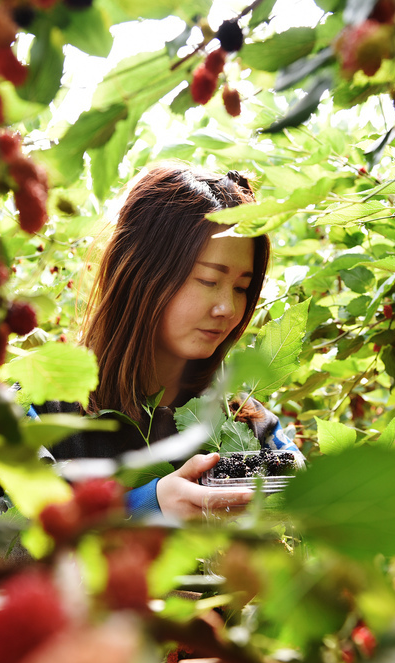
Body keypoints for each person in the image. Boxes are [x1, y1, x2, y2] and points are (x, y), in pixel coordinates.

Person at [18, 162, 301, 521]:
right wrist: (147, 505)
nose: (227, 308)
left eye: (242, 288)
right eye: (208, 280)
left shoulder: (242, 418)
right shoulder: (38, 411)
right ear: (141, 271)